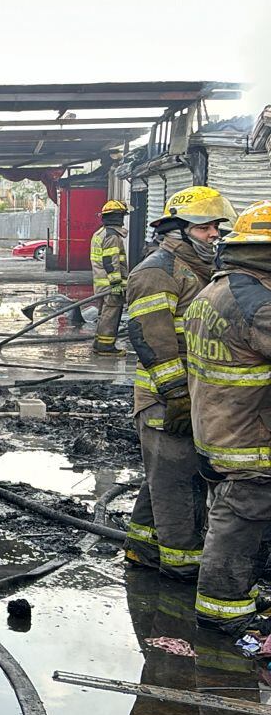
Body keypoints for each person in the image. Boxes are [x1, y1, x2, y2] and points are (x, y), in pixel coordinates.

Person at [122, 187, 235, 578]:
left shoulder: (197, 268)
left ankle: (142, 548)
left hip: (189, 396)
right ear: (178, 230)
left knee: (163, 477)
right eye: (205, 227)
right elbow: (151, 339)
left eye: (216, 226)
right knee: (179, 483)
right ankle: (181, 567)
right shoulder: (157, 271)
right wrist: (176, 396)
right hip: (165, 399)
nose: (214, 234)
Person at [182, 199, 271, 633]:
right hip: (248, 441)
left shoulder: (215, 290)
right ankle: (223, 611)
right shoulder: (260, 305)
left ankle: (231, 598)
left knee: (227, 517)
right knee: (238, 525)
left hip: (216, 430)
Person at [91, 200, 132, 355]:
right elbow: (110, 262)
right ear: (118, 217)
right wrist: (116, 284)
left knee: (104, 315)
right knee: (111, 315)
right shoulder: (112, 236)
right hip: (110, 285)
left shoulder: (100, 233)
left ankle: (99, 343)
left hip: (101, 283)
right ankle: (105, 347)